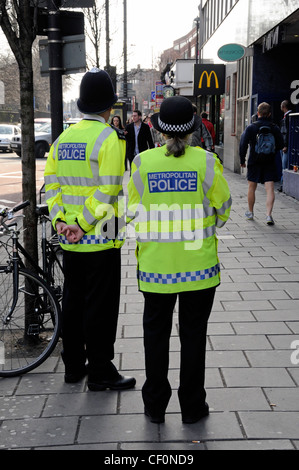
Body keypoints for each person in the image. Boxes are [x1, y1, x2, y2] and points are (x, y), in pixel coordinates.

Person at [127, 96, 231, 424]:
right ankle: (192, 406)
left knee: (155, 336)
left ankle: (155, 406)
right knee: (194, 336)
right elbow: (224, 209)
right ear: (192, 130)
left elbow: (131, 213)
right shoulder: (206, 162)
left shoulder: (143, 163)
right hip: (198, 269)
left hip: (157, 269)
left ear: (158, 132)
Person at [44, 68, 136, 392]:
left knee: (73, 299)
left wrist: (60, 223)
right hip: (102, 234)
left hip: (69, 238)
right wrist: (83, 226)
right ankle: (100, 371)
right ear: (108, 106)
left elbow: (51, 187)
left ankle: (73, 366)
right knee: (101, 303)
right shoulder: (109, 138)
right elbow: (108, 189)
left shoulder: (63, 139)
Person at [239, 102, 284, 225]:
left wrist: (242, 160)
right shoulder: (274, 128)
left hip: (254, 161)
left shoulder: (251, 127)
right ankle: (268, 215)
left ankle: (250, 212)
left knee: (252, 187)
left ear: (258, 113)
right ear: (269, 114)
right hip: (269, 161)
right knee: (270, 189)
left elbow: (243, 144)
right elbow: (281, 144)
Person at [279, 99, 293, 191]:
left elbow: (288, 132)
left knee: (285, 165)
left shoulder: (288, 117)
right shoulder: (286, 116)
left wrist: (285, 145)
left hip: (286, 146)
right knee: (283, 165)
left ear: (284, 106)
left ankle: (283, 185)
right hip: (283, 145)